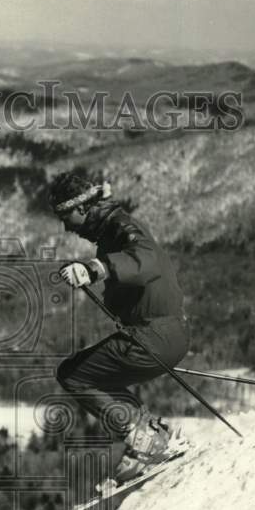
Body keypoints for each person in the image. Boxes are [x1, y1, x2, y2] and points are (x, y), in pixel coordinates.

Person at [49, 170, 190, 484]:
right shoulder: (112, 231)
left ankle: (149, 441)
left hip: (155, 335)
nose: (65, 225)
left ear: (83, 208)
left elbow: (145, 260)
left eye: (65, 215)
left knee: (74, 375)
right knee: (91, 376)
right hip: (165, 334)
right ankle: (147, 437)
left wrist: (96, 269)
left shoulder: (122, 228)